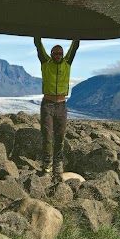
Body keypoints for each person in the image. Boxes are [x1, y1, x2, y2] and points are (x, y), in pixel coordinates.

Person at [34, 36, 80, 179]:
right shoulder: (45, 63)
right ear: (51, 54)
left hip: (61, 105)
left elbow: (75, 45)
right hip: (47, 105)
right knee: (47, 136)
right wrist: (37, 31)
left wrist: (77, 32)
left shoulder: (67, 63)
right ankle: (47, 167)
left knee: (60, 136)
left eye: (60, 53)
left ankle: (58, 165)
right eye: (55, 53)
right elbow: (38, 44)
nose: (58, 55)